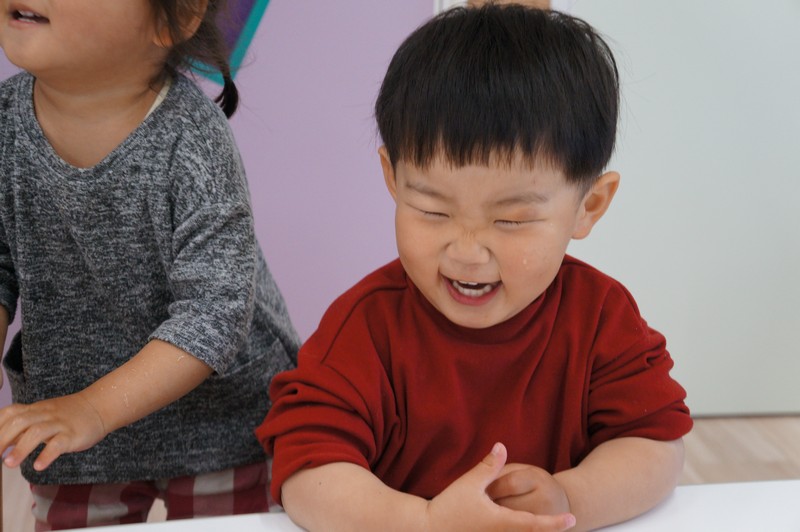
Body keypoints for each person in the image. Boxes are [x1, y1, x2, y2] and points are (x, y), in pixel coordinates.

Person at [258, 4, 692, 531]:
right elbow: (306, 471)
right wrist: (424, 523)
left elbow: (656, 443)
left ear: (589, 205)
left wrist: (572, 496)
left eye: (511, 220)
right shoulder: (366, 327)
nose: (467, 251)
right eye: (432, 211)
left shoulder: (601, 316)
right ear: (393, 178)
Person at [0, 0, 300, 528]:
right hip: (72, 427)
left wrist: (94, 409)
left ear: (174, 17)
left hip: (218, 423)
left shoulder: (192, 137)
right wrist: (81, 411)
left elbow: (214, 313)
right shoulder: (6, 125)